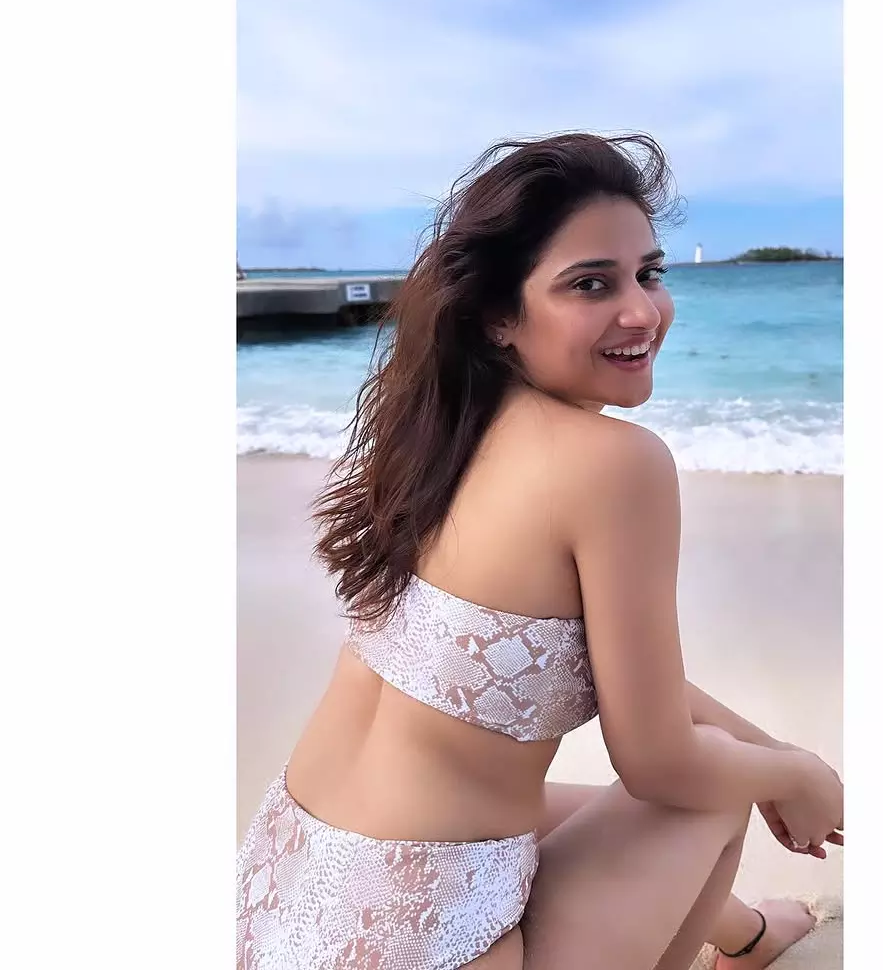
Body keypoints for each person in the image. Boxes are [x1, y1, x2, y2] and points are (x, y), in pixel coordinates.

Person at [236, 132, 843, 970]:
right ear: (498, 316)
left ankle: (746, 936)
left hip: (286, 898)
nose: (643, 312)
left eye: (649, 273)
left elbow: (603, 667)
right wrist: (795, 776)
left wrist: (774, 756)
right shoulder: (615, 465)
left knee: (653, 785)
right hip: (419, 941)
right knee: (707, 793)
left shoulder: (437, 438)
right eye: (591, 284)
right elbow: (660, 763)